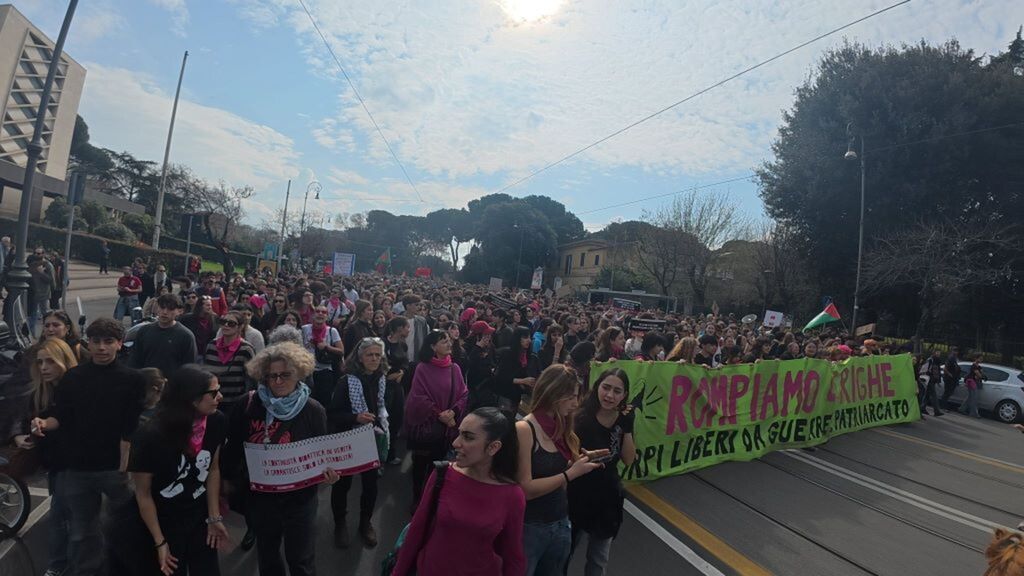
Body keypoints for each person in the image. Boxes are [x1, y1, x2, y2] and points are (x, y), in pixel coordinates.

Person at [30, 318, 145, 576]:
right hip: (77, 469)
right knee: (82, 533)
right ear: (88, 344)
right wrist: (43, 423)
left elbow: (130, 429)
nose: (101, 348)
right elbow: (62, 417)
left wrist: (123, 468)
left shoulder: (133, 379)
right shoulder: (74, 377)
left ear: (119, 344)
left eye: (108, 342)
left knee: (126, 526)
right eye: (96, 342)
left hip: (114, 469)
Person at [221, 342, 338, 576]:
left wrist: (329, 474)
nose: (277, 381)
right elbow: (232, 447)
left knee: (301, 560)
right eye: (271, 376)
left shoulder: (314, 410)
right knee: (268, 557)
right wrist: (227, 480)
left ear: (299, 374)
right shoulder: (247, 404)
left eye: (285, 375)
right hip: (261, 498)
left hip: (301, 500)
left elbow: (322, 453)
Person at [114, 365, 228, 575]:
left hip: (199, 517)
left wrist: (214, 517)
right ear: (191, 398)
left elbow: (212, 469)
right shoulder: (151, 436)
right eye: (213, 393)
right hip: (163, 521)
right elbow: (143, 493)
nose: (220, 396)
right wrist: (160, 542)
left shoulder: (216, 420)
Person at [392, 407, 526, 576]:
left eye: (468, 437)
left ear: (493, 447)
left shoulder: (512, 495)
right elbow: (417, 530)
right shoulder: (443, 474)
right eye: (459, 433)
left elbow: (512, 556)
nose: (456, 443)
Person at [515, 365, 607, 576]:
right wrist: (571, 473)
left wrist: (582, 459)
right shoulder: (525, 429)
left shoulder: (561, 425)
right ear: (554, 393)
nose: (576, 403)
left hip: (560, 522)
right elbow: (525, 488)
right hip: (530, 527)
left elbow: (555, 467)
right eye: (571, 397)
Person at [16, 338, 77, 576]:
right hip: (54, 463)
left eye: (50, 361)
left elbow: (66, 421)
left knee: (63, 516)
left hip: (75, 464)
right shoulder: (39, 391)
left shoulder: (75, 389)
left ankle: (60, 565)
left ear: (63, 360)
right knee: (64, 515)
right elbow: (25, 419)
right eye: (40, 362)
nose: (43, 367)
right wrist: (21, 436)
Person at [567, 368, 636, 576]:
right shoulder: (579, 418)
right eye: (606, 388)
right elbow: (565, 459)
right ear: (597, 387)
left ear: (624, 395)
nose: (610, 395)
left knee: (598, 560)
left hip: (607, 499)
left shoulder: (623, 420)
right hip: (576, 495)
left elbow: (629, 459)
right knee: (563, 554)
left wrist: (628, 428)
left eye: (617, 391)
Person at [329, 337, 389, 548]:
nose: (374, 358)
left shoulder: (381, 378)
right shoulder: (346, 381)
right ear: (360, 357)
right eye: (369, 355)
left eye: (377, 355)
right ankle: (340, 523)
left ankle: (365, 522)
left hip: (372, 438)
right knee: (342, 484)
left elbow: (382, 406)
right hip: (348, 437)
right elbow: (333, 414)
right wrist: (355, 418)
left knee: (370, 484)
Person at [404, 330, 469, 508]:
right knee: (420, 467)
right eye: (443, 341)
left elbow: (463, 394)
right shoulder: (422, 368)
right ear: (433, 347)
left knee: (437, 467)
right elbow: (417, 397)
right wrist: (439, 413)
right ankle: (417, 498)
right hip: (427, 427)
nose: (449, 344)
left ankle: (431, 498)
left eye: (448, 340)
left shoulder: (454, 368)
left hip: (446, 429)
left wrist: (453, 412)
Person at [129, 294, 197, 377]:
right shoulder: (144, 331)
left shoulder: (186, 336)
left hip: (173, 385)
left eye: (170, 309)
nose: (165, 312)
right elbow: (134, 360)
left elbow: (189, 367)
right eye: (162, 307)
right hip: (146, 383)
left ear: (180, 311)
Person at [202, 310, 256, 413]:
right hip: (212, 403)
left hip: (236, 404)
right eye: (223, 322)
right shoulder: (211, 345)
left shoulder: (246, 349)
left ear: (240, 327)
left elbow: (251, 380)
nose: (226, 325)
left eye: (231, 323)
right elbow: (206, 373)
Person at [302, 304, 345, 407]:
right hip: (306, 370)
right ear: (313, 315)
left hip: (324, 371)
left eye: (324, 312)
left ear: (327, 316)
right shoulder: (304, 329)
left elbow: (341, 351)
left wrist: (327, 347)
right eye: (318, 311)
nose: (320, 314)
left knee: (324, 402)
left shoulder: (332, 331)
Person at [493, 326, 538, 414]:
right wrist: (522, 381)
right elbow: (501, 377)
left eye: (529, 337)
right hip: (505, 394)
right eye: (525, 337)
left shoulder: (528, 355)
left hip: (518, 396)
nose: (528, 340)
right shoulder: (508, 354)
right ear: (517, 338)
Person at [922, 349, 944, 417]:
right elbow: (925, 369)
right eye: (937, 352)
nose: (938, 354)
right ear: (934, 353)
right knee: (934, 395)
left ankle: (922, 407)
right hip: (929, 379)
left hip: (933, 379)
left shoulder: (937, 360)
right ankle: (936, 411)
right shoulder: (930, 360)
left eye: (939, 352)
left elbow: (938, 371)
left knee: (927, 395)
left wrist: (938, 380)